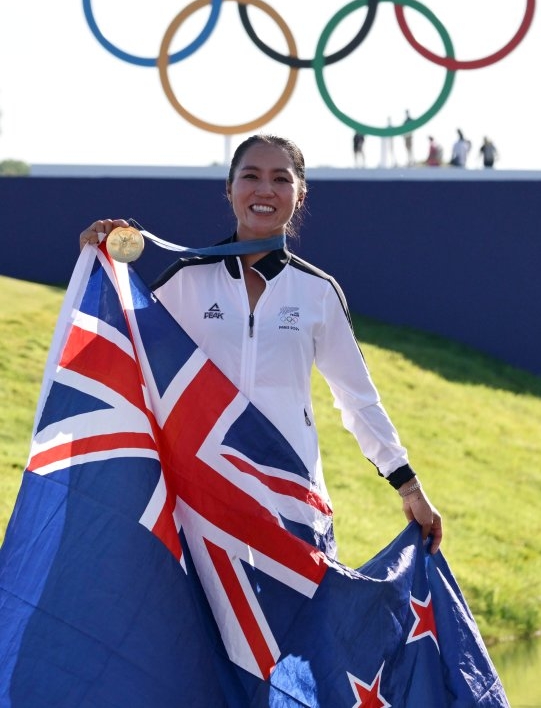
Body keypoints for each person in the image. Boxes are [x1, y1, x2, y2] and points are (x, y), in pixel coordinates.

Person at [79, 134, 442, 557]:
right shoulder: (186, 280)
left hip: (291, 500)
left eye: (280, 179)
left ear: (300, 195)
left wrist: (409, 486)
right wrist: (97, 262)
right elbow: (115, 355)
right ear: (229, 189)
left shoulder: (318, 292)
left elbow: (358, 400)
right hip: (201, 499)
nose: (264, 190)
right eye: (250, 176)